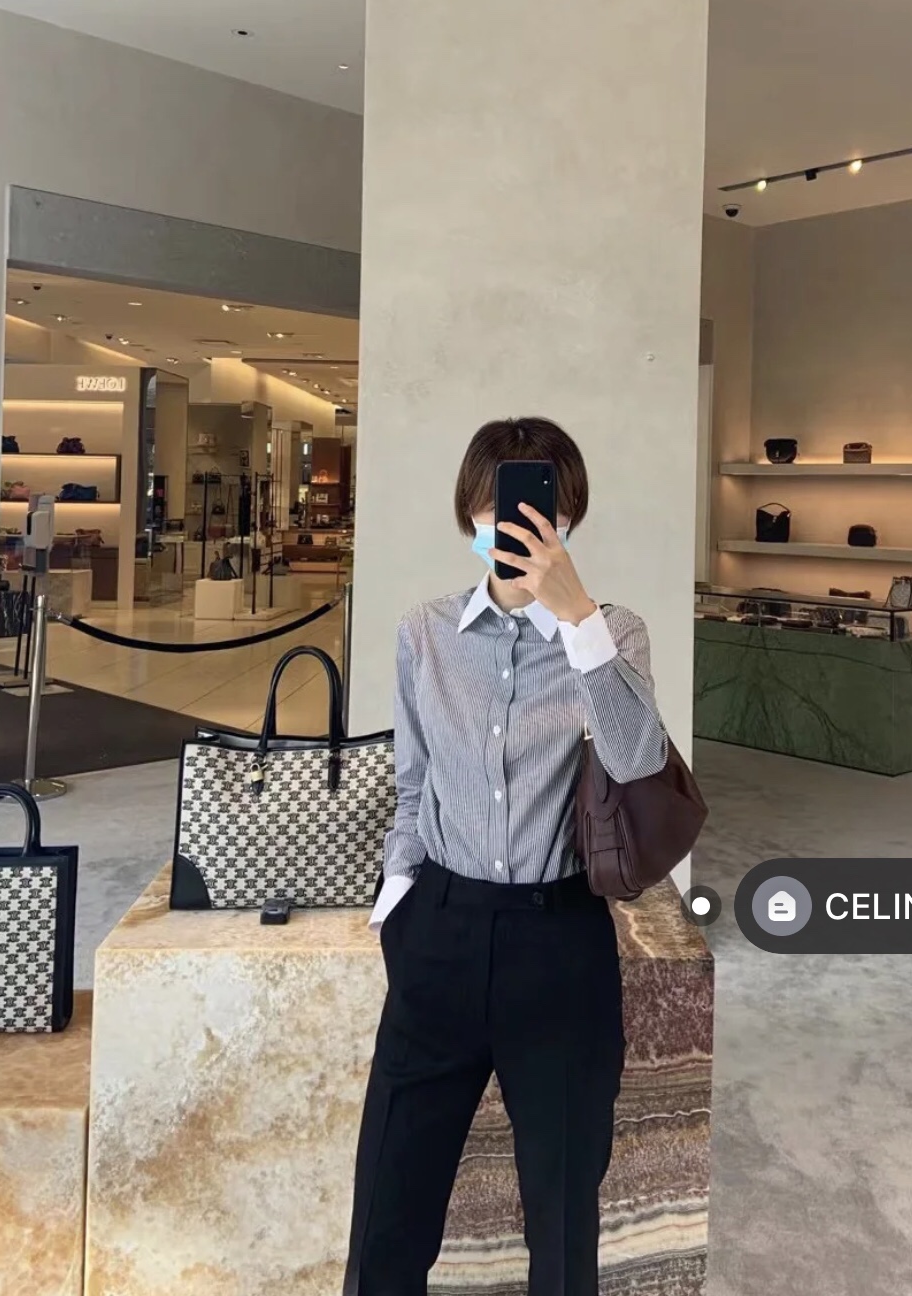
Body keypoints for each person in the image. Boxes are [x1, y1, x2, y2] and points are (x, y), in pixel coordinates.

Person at [344, 416, 670, 1296]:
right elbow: (413, 784)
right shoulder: (425, 633)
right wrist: (397, 905)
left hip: (558, 943)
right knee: (387, 1213)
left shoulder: (614, 633)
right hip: (438, 934)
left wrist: (577, 617)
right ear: (470, 513)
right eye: (497, 505)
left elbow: (638, 760)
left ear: (568, 517)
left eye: (538, 506)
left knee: (562, 1221)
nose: (517, 522)